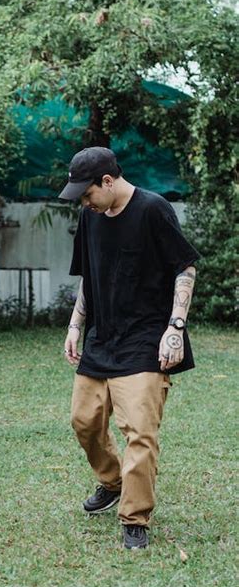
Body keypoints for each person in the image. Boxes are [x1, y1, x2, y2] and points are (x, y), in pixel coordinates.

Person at [59, 146, 200, 550]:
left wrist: (175, 326)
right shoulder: (91, 216)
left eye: (87, 194)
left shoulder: (153, 209)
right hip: (101, 338)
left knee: (139, 431)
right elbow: (89, 276)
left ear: (108, 180)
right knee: (84, 422)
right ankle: (111, 480)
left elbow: (184, 267)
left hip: (145, 341)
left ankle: (134, 517)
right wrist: (75, 324)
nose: (84, 203)